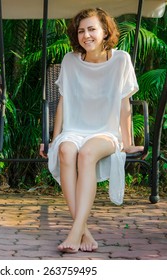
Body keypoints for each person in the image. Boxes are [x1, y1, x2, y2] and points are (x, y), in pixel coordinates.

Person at [39, 8, 144, 253]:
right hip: (74, 129)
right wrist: (54, 140)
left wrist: (127, 143)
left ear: (105, 31)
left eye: (92, 29)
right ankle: (83, 232)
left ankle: (75, 233)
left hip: (105, 132)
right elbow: (63, 102)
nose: (86, 35)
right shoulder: (70, 60)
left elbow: (124, 104)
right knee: (66, 150)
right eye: (81, 31)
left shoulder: (121, 60)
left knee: (86, 154)